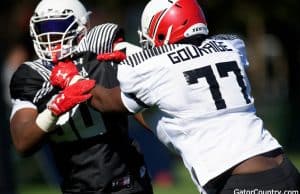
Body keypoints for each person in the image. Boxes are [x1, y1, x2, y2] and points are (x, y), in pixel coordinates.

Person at [50, 0, 300, 193]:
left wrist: (74, 79)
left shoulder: (156, 66)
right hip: (283, 168)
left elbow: (108, 102)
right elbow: (171, 106)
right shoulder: (231, 47)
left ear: (162, 31)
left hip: (239, 181)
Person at [9, 0, 153, 193]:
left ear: (83, 26)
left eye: (58, 26)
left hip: (127, 183)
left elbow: (148, 115)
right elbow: (22, 141)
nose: (50, 35)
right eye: (43, 27)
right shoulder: (33, 74)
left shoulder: (103, 55)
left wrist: (133, 70)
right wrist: (53, 110)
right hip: (77, 186)